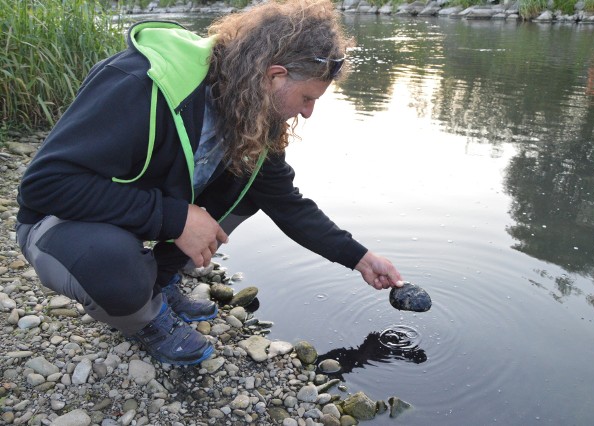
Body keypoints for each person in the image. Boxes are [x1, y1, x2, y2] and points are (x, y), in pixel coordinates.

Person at [15, 0, 403, 366]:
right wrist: (175, 218)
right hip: (57, 226)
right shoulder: (140, 83)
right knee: (111, 259)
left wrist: (361, 258)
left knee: (246, 190)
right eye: (306, 97)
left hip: (130, 213)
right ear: (274, 76)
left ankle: (159, 282)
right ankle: (144, 320)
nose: (308, 112)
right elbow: (44, 186)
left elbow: (286, 202)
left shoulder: (251, 111)